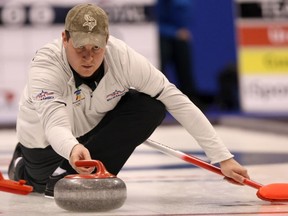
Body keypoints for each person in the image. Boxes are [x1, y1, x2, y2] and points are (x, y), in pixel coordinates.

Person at [8, 3, 249, 198]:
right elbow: (55, 124)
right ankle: (24, 168)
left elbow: (176, 99)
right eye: (80, 46)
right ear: (64, 38)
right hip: (47, 146)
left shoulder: (122, 57)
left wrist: (223, 157)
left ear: (107, 40)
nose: (88, 57)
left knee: (151, 106)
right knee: (40, 181)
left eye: (96, 47)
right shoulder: (46, 65)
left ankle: (71, 175)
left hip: (88, 137)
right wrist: (72, 149)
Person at [155, 0, 198, 103]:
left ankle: (190, 100)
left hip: (178, 36)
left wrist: (179, 32)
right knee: (159, 70)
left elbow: (185, 16)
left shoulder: (183, 5)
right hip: (161, 36)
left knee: (184, 63)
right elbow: (154, 21)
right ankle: (159, 100)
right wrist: (174, 33)